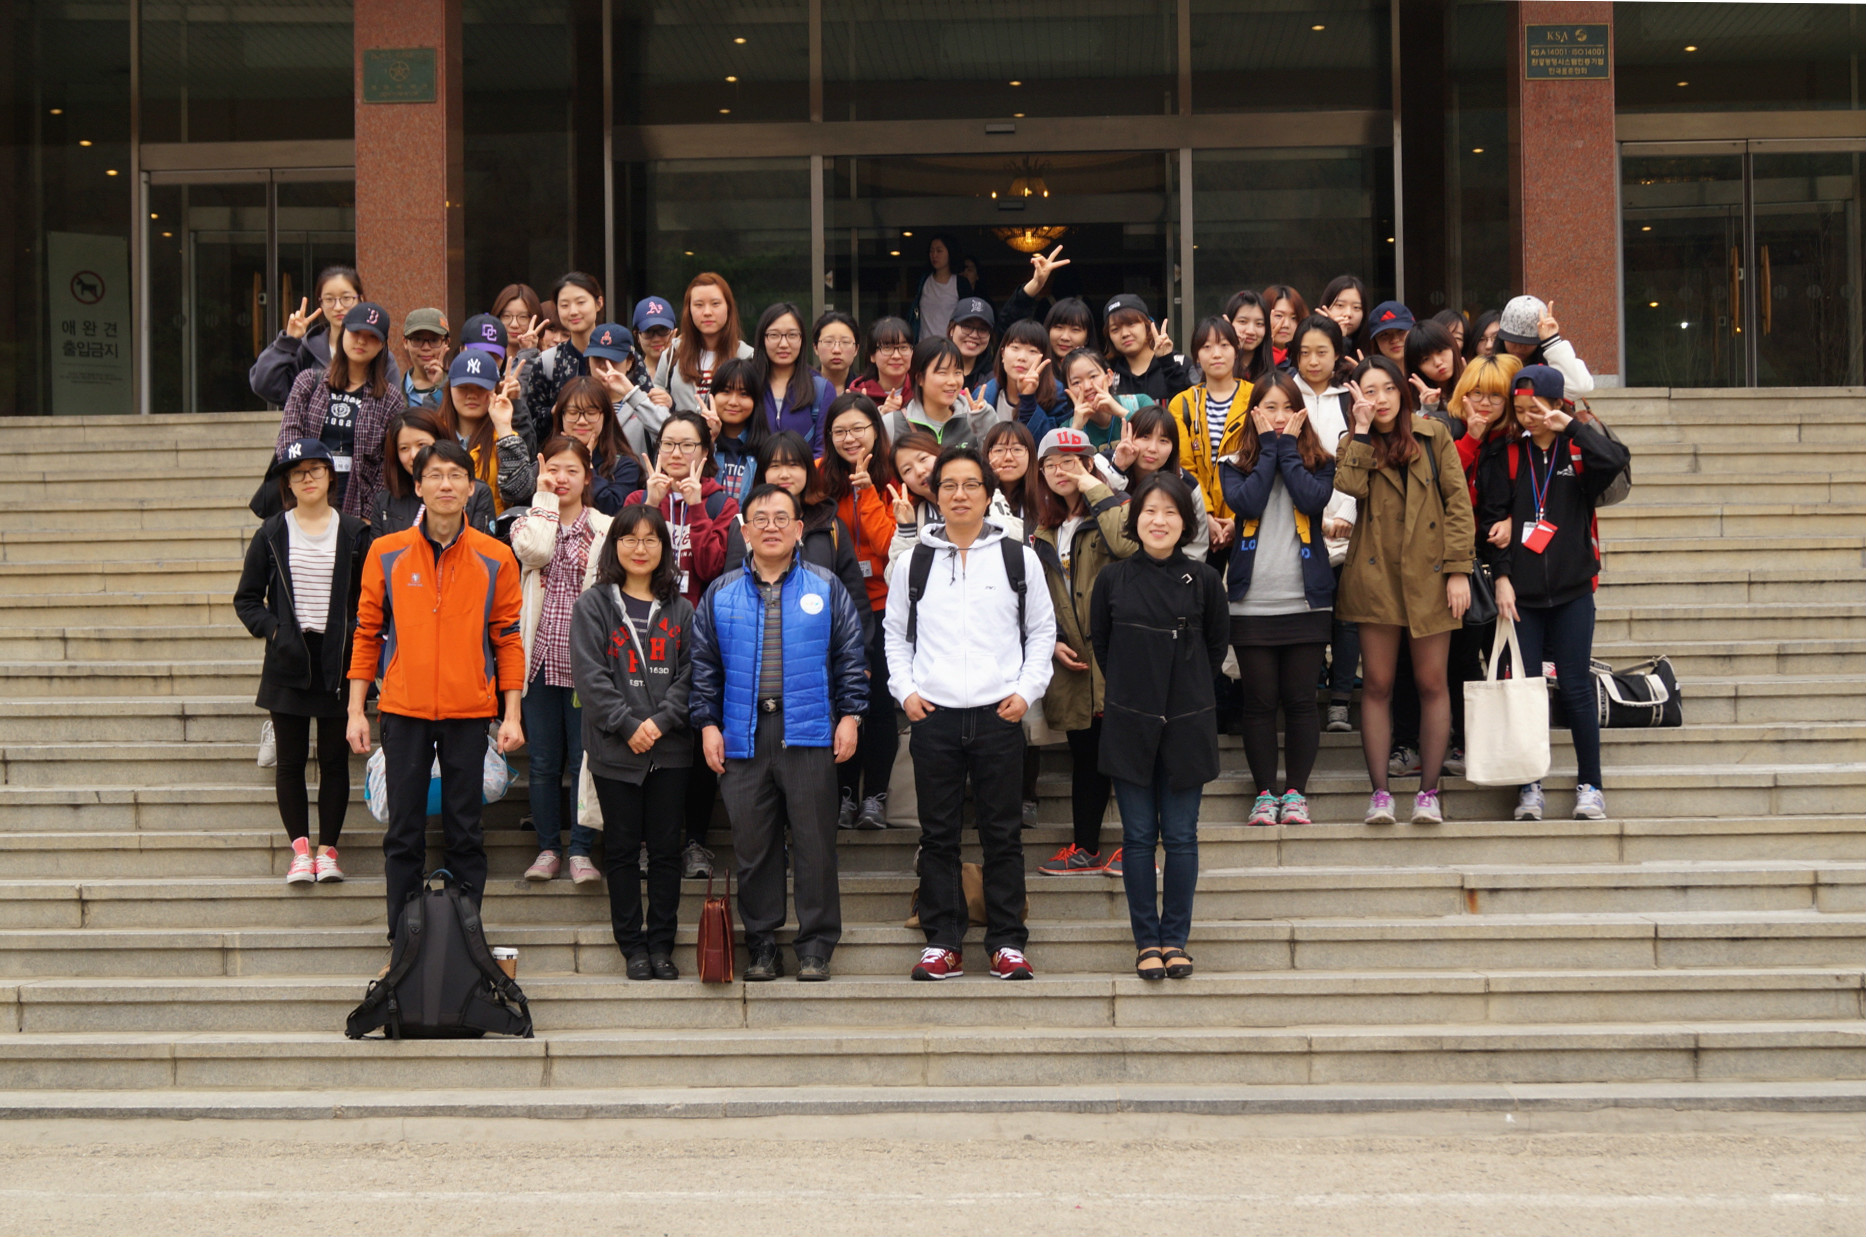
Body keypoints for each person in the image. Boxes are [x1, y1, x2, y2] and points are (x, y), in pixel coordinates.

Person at [886, 444, 1056, 982]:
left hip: (998, 715)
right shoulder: (913, 560)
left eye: (971, 485)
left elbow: (1041, 632)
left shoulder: (1016, 556)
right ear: (934, 495)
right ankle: (943, 940)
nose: (960, 495)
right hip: (933, 715)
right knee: (937, 835)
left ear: (989, 494)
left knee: (1001, 833)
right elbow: (894, 635)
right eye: (949, 485)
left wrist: (1028, 692)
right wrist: (906, 692)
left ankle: (1006, 940)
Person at [346, 438, 526, 937]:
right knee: (403, 835)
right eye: (435, 475)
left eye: (456, 476)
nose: (446, 484)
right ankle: (403, 944)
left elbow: (508, 638)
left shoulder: (496, 557)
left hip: (470, 713)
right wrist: (357, 711)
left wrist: (510, 715)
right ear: (419, 485)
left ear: (471, 487)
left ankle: (466, 942)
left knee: (465, 832)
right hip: (403, 710)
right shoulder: (386, 552)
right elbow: (366, 634)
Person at [690, 483, 868, 982]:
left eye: (781, 518)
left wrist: (850, 716)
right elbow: (703, 668)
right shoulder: (720, 594)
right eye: (760, 519)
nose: (770, 527)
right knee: (754, 847)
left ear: (797, 529)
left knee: (815, 845)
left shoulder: (826, 586)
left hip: (809, 732)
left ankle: (815, 947)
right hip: (744, 736)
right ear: (744, 531)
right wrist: (707, 724)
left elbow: (851, 659)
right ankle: (763, 945)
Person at [1479, 364, 1631, 823]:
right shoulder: (1504, 453)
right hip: (1520, 594)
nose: (1529, 417)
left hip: (1573, 589)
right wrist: (1501, 577)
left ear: (1558, 404)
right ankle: (1529, 786)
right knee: (1526, 690)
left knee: (1576, 688)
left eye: (1538, 409)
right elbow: (1489, 519)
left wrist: (1572, 429)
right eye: (1521, 409)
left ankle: (1591, 785)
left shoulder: (1578, 450)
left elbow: (1617, 462)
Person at [1091, 473, 1228, 980]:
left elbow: (1215, 649)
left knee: (1182, 837)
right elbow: (1101, 645)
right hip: (1129, 723)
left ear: (1185, 522)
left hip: (1187, 724)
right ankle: (1146, 941)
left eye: (1171, 512)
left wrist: (1183, 694)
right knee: (1140, 837)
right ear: (1136, 519)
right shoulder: (1113, 579)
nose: (1159, 520)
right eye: (1150, 511)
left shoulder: (1205, 580)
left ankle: (1176, 940)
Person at [1333, 357, 1475, 826]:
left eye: (1388, 389)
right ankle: (1380, 794)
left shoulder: (1435, 436)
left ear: (1402, 392)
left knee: (1432, 682)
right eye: (1369, 392)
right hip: (1375, 579)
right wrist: (1358, 429)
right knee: (1376, 684)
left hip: (1430, 575)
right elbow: (1349, 486)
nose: (1380, 399)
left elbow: (1457, 503)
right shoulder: (1354, 443)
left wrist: (1458, 571)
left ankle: (1428, 792)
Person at [234, 439, 373, 885]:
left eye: (316, 470)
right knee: (291, 761)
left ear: (331, 477)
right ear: (287, 483)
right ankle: (299, 851)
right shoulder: (273, 532)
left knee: (334, 761)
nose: (308, 478)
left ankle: (328, 851)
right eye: (298, 473)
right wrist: (275, 631)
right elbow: (247, 600)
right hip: (288, 659)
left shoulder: (355, 532)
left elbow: (373, 600)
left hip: (339, 660)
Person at [570, 503, 693, 980]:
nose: (639, 549)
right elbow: (590, 677)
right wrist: (627, 725)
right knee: (620, 850)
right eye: (629, 539)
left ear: (663, 548)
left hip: (671, 749)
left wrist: (660, 723)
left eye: (650, 540)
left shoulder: (682, 609)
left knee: (665, 851)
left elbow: (691, 675)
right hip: (614, 750)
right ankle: (632, 947)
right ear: (613, 546)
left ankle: (662, 945)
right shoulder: (594, 605)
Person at [624, 410, 741, 879]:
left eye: (687, 445)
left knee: (694, 747)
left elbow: (715, 568)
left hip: (700, 644)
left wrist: (694, 509)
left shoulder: (722, 505)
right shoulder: (637, 500)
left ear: (705, 453)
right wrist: (650, 509)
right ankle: (651, 842)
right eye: (668, 445)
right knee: (649, 743)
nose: (676, 454)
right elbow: (625, 565)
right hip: (643, 641)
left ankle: (694, 842)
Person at [1219, 373, 1339, 828]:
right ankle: (1264, 794)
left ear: (1300, 411)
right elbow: (1247, 505)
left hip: (1306, 600)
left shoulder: (1319, 462)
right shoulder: (1234, 463)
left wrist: (1286, 449)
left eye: (1286, 407)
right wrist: (1270, 448)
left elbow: (1311, 499)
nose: (1278, 416)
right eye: (1269, 407)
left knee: (1301, 700)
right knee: (1260, 702)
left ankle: (1296, 794)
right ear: (1254, 413)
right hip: (1252, 603)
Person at [1030, 427, 1137, 877]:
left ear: (1090, 464)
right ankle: (1086, 847)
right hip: (1071, 663)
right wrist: (1050, 641)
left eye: (1072, 461)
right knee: (1087, 757)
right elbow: (1035, 597)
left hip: (1119, 658)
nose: (1061, 471)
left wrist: (1095, 487)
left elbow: (1127, 546)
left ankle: (1138, 850)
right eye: (1052, 464)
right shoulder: (1043, 529)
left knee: (1128, 757)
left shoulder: (1120, 510)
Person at [512, 436, 615, 885]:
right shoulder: (526, 522)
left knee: (584, 761)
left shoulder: (607, 528)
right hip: (537, 661)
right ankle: (547, 848)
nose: (562, 477)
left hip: (586, 667)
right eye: (554, 468)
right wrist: (543, 498)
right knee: (543, 763)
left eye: (572, 470)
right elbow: (534, 552)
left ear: (587, 476)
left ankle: (580, 850)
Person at [819, 393, 900, 829]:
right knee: (841, 701)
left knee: (882, 704)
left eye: (858, 429)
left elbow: (890, 546)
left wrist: (867, 492)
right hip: (834, 608)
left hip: (885, 606)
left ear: (876, 430)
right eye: (840, 431)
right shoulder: (818, 478)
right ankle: (846, 795)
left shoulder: (893, 477)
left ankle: (876, 798)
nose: (850, 439)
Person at [1286, 314, 1362, 732]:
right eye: (1304, 352)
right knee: (1310, 612)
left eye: (1322, 352)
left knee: (1348, 616)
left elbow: (1359, 459)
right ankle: (1307, 690)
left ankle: (1340, 698)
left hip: (1351, 524)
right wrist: (1317, 520)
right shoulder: (1284, 393)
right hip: (1300, 523)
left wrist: (1344, 517)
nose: (1313, 361)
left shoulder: (1350, 398)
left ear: (1337, 354)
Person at [724, 432, 870, 647]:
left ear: (807, 471)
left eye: (793, 465)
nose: (784, 474)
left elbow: (854, 598)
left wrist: (862, 659)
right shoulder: (745, 525)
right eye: (774, 466)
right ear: (762, 472)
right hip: (758, 647)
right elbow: (730, 595)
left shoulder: (830, 525)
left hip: (822, 649)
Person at [276, 301, 403, 520]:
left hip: (357, 510)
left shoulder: (390, 399)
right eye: (355, 332)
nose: (361, 341)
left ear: (382, 345)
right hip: (305, 504)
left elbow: (387, 464)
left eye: (371, 336)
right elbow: (288, 440)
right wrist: (303, 483)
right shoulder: (309, 383)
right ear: (343, 333)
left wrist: (368, 515)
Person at [250, 265, 402, 406]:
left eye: (346, 298)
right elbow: (264, 384)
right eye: (329, 299)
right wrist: (288, 341)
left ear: (360, 299)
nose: (338, 307)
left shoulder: (378, 354)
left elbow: (392, 408)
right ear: (320, 304)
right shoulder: (307, 350)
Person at [1111, 404, 1218, 557]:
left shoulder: (1186, 485)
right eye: (1145, 437)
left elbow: (1196, 547)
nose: (1153, 448)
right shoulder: (1105, 466)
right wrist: (1119, 469)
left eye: (1163, 440)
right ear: (1128, 435)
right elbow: (1103, 516)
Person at [371, 408, 497, 535]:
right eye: (404, 448)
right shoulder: (384, 501)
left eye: (421, 445)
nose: (414, 455)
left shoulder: (477, 493)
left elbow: (483, 550)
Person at [441, 350, 528, 512]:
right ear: (449, 388)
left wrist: (503, 426)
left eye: (481, 388)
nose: (472, 395)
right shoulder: (432, 433)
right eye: (463, 387)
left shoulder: (507, 437)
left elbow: (520, 492)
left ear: (494, 390)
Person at [656, 272, 753, 412]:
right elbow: (656, 409)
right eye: (699, 305)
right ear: (688, 310)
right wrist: (669, 404)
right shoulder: (672, 355)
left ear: (728, 307)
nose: (707, 312)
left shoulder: (748, 357)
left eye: (715, 304)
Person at [551, 374, 646, 515]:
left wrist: (588, 467)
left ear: (605, 417)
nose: (582, 420)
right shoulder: (547, 462)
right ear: (561, 417)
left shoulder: (624, 466)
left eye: (591, 412)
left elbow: (615, 511)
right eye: (573, 412)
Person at [521, 272, 606, 420]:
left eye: (581, 302)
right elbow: (532, 421)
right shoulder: (547, 361)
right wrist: (556, 412)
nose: (573, 312)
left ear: (599, 303)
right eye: (564, 305)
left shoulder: (621, 355)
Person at [752, 301, 834, 452]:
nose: (784, 344)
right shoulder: (748, 383)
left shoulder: (821, 389)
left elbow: (822, 451)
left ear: (802, 339)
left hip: (805, 474)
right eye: (774, 335)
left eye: (792, 335)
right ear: (762, 339)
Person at [885, 337, 990, 449]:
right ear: (920, 378)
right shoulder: (892, 423)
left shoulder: (975, 420)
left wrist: (985, 423)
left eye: (958, 372)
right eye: (942, 372)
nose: (952, 381)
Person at [584, 322, 669, 460]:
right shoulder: (578, 401)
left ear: (629, 362)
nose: (606, 366)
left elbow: (670, 434)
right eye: (597, 359)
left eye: (613, 359)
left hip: (635, 479)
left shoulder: (645, 401)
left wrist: (632, 393)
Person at [977, 318, 1068, 435]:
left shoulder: (1059, 397)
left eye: (1032, 351)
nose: (1022, 357)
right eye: (1015, 348)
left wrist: (1028, 399)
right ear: (1003, 354)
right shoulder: (984, 394)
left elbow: (1047, 446)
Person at [1495, 295, 1595, 395]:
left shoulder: (1550, 368)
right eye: (1513, 340)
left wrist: (1552, 342)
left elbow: (1579, 388)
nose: (1520, 347)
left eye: (1527, 342)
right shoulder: (1489, 368)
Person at [703, 356, 768, 509]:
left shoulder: (767, 449)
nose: (733, 401)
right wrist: (707, 439)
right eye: (726, 391)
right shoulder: (696, 444)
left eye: (743, 394)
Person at [1103, 293, 1189, 404]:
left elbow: (1191, 409)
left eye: (1131, 324)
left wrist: (1167, 362)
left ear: (1147, 325)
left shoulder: (1179, 363)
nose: (1124, 334)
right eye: (1115, 329)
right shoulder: (1108, 374)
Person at [884, 429, 944, 578]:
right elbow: (893, 580)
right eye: (907, 470)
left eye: (923, 459)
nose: (919, 471)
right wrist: (907, 531)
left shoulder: (979, 492)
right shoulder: (913, 518)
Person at [1062, 348, 1148, 450]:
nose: (1087, 387)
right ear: (1068, 390)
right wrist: (1075, 429)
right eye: (1076, 382)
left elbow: (1158, 439)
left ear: (1109, 377)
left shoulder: (1140, 403)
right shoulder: (1066, 429)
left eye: (1093, 376)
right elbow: (1060, 462)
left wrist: (1121, 412)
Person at [980, 419, 1036, 541]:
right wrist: (990, 484)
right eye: (999, 450)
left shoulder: (1044, 498)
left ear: (1030, 454)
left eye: (1017, 449)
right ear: (987, 454)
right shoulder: (975, 498)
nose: (1008, 457)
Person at [909, 233, 971, 341]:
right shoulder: (924, 281)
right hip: (924, 346)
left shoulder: (960, 283)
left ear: (950, 253)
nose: (934, 255)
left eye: (939, 251)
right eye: (931, 251)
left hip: (950, 347)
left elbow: (968, 315)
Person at [850, 315, 915, 418]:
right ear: (872, 355)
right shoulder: (858, 396)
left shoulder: (922, 391)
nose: (896, 356)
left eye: (903, 347)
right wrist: (882, 415)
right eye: (887, 348)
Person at [1405, 320, 1466, 415]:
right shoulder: (1411, 402)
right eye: (1426, 359)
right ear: (1417, 368)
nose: (1437, 363)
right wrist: (1427, 409)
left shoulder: (1477, 383)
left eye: (1440, 351)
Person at [631, 296, 679, 408]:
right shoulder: (629, 372)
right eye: (648, 331)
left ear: (674, 332)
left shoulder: (685, 370)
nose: (656, 338)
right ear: (636, 335)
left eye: (663, 330)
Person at [399, 307, 451, 410]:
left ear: (446, 343)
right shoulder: (394, 391)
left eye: (434, 340)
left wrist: (441, 385)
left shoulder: (457, 388)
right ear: (405, 342)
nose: (426, 347)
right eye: (417, 339)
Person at [947, 296, 997, 392]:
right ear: (951, 329)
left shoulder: (994, 380)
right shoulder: (932, 367)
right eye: (967, 326)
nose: (974, 335)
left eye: (982, 329)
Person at [1224, 291, 1273, 385]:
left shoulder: (1276, 374)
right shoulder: (1212, 366)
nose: (1251, 331)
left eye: (1259, 324)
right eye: (1243, 322)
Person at [1318, 275, 1370, 358]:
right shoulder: (1309, 341)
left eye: (1356, 307)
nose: (1348, 314)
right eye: (1340, 305)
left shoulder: (1372, 347)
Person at [813, 310, 861, 397]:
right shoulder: (802, 389)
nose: (836, 350)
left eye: (845, 342)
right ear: (815, 347)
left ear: (856, 349)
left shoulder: (863, 389)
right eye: (828, 341)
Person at [1261, 284, 1309, 370]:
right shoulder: (1249, 357)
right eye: (1279, 316)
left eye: (1294, 318)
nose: (1286, 325)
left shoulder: (1307, 360)